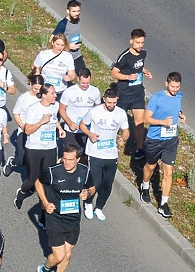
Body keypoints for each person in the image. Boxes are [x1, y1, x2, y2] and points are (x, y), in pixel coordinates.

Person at [35, 144, 93, 272]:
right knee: (59, 256)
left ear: (78, 159)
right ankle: (45, 269)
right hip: (55, 219)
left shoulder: (84, 172)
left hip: (73, 219)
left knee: (68, 255)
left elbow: (93, 188)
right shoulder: (53, 172)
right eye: (64, 159)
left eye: (70, 160)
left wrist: (88, 192)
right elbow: (38, 183)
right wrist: (46, 202)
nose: (66, 162)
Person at [79, 88, 129, 220]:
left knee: (107, 184)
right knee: (95, 181)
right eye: (109, 102)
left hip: (111, 154)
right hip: (95, 152)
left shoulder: (121, 113)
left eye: (114, 102)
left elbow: (126, 130)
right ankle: (88, 203)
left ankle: (99, 207)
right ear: (104, 100)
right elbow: (82, 124)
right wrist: (90, 134)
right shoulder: (94, 111)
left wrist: (123, 139)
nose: (112, 105)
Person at [141, 72, 185, 218]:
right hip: (155, 139)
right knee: (151, 166)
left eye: (177, 87)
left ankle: (163, 204)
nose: (175, 90)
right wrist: (162, 122)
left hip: (171, 139)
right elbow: (146, 118)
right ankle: (145, 186)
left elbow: (175, 107)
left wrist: (180, 114)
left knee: (169, 172)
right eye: (172, 87)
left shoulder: (179, 96)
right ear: (166, 84)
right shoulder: (157, 98)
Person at [13, 84, 64, 210]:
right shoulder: (33, 109)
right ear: (44, 95)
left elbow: (55, 119)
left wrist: (60, 128)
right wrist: (41, 122)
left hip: (50, 148)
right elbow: (28, 130)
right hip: (34, 148)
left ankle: (44, 209)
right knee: (32, 180)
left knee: (47, 180)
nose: (55, 96)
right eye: (52, 93)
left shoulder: (55, 105)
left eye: (55, 93)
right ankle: (21, 194)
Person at [111, 29, 152, 159]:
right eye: (137, 42)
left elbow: (138, 66)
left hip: (138, 93)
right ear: (131, 41)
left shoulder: (143, 54)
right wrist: (128, 77)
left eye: (142, 42)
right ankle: (111, 143)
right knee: (115, 120)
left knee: (139, 122)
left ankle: (139, 149)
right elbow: (114, 73)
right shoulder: (125, 56)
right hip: (124, 93)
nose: (140, 45)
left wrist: (144, 71)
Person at [5, 73, 43, 177]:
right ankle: (12, 162)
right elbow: (16, 113)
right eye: (35, 89)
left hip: (38, 132)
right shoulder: (23, 98)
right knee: (22, 159)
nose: (38, 91)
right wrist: (22, 126)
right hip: (24, 132)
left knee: (33, 158)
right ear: (31, 84)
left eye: (40, 89)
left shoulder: (43, 97)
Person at [58, 68, 100, 162]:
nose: (85, 86)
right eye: (83, 83)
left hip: (87, 130)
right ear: (78, 79)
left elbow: (98, 109)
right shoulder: (69, 91)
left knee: (85, 157)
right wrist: (69, 123)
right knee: (70, 156)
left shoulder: (95, 91)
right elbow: (61, 109)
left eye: (87, 83)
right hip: (72, 130)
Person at [54, 0, 84, 73]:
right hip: (65, 57)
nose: (76, 14)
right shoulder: (63, 24)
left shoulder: (77, 20)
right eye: (74, 11)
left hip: (77, 56)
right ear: (68, 11)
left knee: (84, 75)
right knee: (66, 79)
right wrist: (68, 46)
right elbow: (52, 41)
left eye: (78, 11)